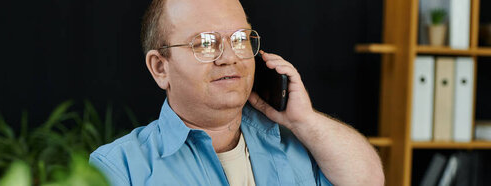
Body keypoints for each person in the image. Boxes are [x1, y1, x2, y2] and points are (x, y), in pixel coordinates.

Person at [89, 0, 385, 185]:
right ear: (160, 68)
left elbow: (369, 180)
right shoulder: (119, 168)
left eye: (240, 39)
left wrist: (304, 120)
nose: (229, 57)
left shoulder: (300, 146)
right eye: (205, 43)